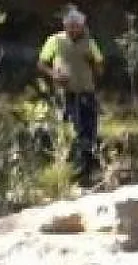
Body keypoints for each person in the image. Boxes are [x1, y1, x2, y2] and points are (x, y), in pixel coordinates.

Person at [38, 6, 104, 183]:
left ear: (82, 26)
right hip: (65, 93)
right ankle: (69, 170)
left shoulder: (89, 42)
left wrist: (92, 61)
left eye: (77, 26)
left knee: (89, 131)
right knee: (69, 131)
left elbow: (100, 67)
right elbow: (42, 63)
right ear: (65, 25)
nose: (74, 29)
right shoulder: (55, 41)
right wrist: (54, 74)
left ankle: (88, 170)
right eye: (71, 25)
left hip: (86, 92)